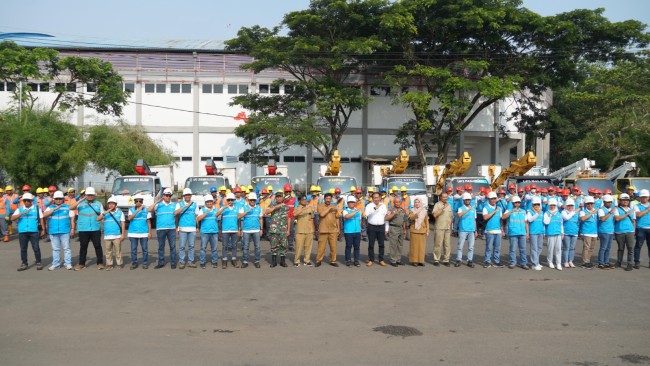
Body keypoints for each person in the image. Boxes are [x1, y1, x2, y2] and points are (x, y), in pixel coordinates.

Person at [69, 187, 104, 270]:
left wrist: (104, 226)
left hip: (95, 228)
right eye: (88, 195)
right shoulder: (80, 204)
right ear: (85, 195)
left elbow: (102, 215)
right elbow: (71, 207)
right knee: (83, 246)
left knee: (98, 246)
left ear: (94, 195)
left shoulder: (99, 204)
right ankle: (81, 263)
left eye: (92, 195)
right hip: (83, 228)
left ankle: (100, 263)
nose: (90, 196)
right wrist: (81, 200)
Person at [12, 193, 45, 271]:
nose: (26, 202)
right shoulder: (19, 209)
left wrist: (43, 229)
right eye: (25, 200)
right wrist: (21, 213)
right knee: (23, 248)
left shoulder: (37, 208)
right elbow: (12, 218)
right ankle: (24, 263)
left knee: (36, 247)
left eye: (28, 200)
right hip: (23, 232)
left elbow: (41, 219)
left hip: (33, 231)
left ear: (31, 201)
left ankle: (38, 262)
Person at [148, 188, 177, 269]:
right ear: (163, 196)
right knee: (161, 247)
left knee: (173, 246)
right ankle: (161, 262)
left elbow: (178, 215)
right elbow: (149, 209)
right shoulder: (158, 205)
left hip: (171, 228)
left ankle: (173, 262)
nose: (168, 197)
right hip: (161, 229)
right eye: (166, 195)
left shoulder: (174, 205)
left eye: (169, 195)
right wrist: (157, 201)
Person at [96, 196, 125, 270]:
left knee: (118, 251)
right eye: (109, 204)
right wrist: (106, 212)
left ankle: (119, 263)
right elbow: (97, 219)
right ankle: (109, 264)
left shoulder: (120, 212)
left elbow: (123, 224)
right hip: (107, 236)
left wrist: (123, 235)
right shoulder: (105, 213)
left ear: (116, 205)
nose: (111, 205)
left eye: (113, 204)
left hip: (117, 235)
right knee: (108, 251)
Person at [265, 192, 291, 268]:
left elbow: (288, 219)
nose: (279, 198)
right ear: (275, 198)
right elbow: (266, 212)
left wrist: (288, 230)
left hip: (283, 230)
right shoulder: (272, 205)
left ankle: (283, 261)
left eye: (280, 197)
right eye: (277, 197)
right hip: (274, 229)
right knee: (274, 246)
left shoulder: (286, 207)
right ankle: (274, 262)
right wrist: (276, 207)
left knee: (283, 246)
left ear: (283, 198)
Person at [503, 196, 529, 270]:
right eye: (515, 203)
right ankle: (512, 262)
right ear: (513, 203)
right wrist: (511, 211)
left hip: (522, 233)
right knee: (513, 249)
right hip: (513, 232)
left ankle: (524, 263)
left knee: (523, 249)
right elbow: (503, 217)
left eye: (518, 203)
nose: (517, 204)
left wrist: (527, 232)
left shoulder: (523, 211)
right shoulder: (509, 210)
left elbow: (526, 222)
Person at [238, 192, 263, 268]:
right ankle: (245, 261)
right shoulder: (244, 207)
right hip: (246, 230)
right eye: (251, 200)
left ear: (256, 200)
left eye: (254, 200)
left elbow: (261, 218)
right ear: (248, 200)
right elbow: (239, 216)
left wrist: (261, 229)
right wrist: (247, 211)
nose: (252, 201)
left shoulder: (259, 208)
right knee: (245, 247)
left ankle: (257, 261)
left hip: (256, 230)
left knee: (257, 247)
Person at [216, 192, 240, 268]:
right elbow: (216, 214)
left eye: (231, 200)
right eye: (229, 200)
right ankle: (224, 260)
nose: (230, 201)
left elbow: (239, 219)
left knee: (234, 246)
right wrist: (224, 208)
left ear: (234, 200)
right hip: (225, 230)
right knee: (224, 246)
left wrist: (239, 229)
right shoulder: (223, 208)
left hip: (234, 230)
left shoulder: (237, 208)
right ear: (227, 200)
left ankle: (234, 260)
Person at [127, 193, 152, 269]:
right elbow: (129, 218)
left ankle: (145, 263)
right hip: (133, 232)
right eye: (137, 201)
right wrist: (137, 211)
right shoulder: (131, 209)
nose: (138, 202)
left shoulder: (146, 210)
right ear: (134, 202)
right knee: (133, 249)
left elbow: (148, 222)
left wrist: (150, 232)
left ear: (142, 201)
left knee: (145, 249)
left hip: (144, 232)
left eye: (140, 201)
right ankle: (134, 263)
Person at [316, 192, 340, 267]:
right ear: (324, 199)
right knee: (321, 247)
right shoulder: (320, 206)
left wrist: (338, 228)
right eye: (327, 198)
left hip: (333, 230)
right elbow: (322, 214)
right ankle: (319, 260)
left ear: (331, 199)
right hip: (323, 229)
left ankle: (333, 261)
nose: (328, 200)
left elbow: (337, 218)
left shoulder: (334, 207)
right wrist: (329, 208)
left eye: (330, 198)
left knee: (333, 247)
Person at [175, 188, 197, 269]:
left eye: (189, 195)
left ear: (191, 196)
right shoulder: (179, 204)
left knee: (191, 246)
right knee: (182, 246)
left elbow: (196, 216)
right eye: (186, 195)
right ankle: (182, 261)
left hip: (192, 228)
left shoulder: (195, 204)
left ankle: (191, 261)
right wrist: (185, 206)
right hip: (182, 228)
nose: (188, 196)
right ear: (183, 196)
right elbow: (175, 213)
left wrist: (197, 227)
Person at [482, 191, 504, 268]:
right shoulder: (486, 208)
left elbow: (501, 220)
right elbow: (485, 217)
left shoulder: (499, 208)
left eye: (494, 199)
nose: (493, 200)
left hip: (498, 230)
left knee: (497, 248)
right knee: (489, 247)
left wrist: (502, 229)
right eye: (492, 199)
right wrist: (494, 211)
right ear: (489, 199)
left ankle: (496, 261)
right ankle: (487, 261)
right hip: (489, 230)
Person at [614, 193, 636, 271]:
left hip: (630, 231)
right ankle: (619, 262)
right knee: (620, 248)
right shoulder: (617, 209)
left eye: (627, 200)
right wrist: (627, 214)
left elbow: (633, 221)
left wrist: (634, 230)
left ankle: (629, 264)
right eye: (624, 200)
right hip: (619, 231)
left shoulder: (631, 210)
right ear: (620, 201)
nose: (626, 201)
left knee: (630, 248)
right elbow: (617, 218)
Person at [365, 192, 388, 267]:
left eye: (378, 197)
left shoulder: (384, 206)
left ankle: (381, 259)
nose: (376, 199)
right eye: (375, 197)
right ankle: (371, 259)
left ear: (380, 198)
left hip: (381, 227)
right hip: (372, 227)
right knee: (371, 244)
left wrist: (386, 228)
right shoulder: (369, 206)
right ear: (372, 198)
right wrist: (375, 208)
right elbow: (366, 214)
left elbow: (386, 217)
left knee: (381, 244)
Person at [196, 194, 219, 269]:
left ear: (212, 202)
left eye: (210, 202)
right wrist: (207, 212)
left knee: (214, 248)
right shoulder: (202, 210)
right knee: (203, 248)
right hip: (205, 232)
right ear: (205, 203)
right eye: (207, 202)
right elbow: (198, 219)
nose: (209, 203)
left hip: (214, 231)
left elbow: (219, 217)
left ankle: (214, 261)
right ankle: (202, 262)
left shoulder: (216, 209)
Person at [455, 192, 477, 268]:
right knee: (460, 246)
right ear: (464, 200)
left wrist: (475, 230)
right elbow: (460, 215)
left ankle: (469, 260)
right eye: (466, 200)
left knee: (471, 247)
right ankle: (459, 259)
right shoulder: (461, 208)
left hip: (471, 230)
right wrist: (468, 210)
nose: (467, 201)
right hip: (463, 229)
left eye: (469, 200)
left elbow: (474, 220)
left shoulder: (473, 208)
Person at [386, 195, 408, 266]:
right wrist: (394, 213)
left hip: (401, 228)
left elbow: (404, 221)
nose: (397, 203)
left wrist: (405, 230)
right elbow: (386, 218)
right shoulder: (390, 210)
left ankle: (398, 259)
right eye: (396, 202)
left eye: (399, 202)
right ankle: (393, 260)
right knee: (393, 245)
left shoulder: (403, 210)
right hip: (393, 228)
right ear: (394, 202)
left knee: (400, 245)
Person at [432, 192, 453, 266]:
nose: (445, 198)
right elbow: (435, 215)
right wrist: (441, 209)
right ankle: (436, 259)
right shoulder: (437, 205)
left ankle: (446, 260)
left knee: (447, 245)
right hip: (439, 227)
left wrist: (450, 228)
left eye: (446, 197)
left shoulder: (449, 205)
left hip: (447, 228)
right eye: (443, 197)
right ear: (441, 197)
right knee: (438, 244)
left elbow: (450, 217)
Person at [293, 195, 315, 267]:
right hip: (300, 231)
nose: (305, 201)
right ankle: (297, 261)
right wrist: (303, 209)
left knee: (308, 247)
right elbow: (294, 214)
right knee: (299, 247)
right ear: (299, 201)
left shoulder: (309, 208)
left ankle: (307, 260)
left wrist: (313, 228)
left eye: (305, 200)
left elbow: (311, 218)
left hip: (309, 230)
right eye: (303, 200)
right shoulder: (297, 208)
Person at [408, 198, 429, 266]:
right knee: (414, 247)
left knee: (421, 247)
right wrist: (417, 213)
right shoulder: (412, 210)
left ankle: (421, 261)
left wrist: (427, 230)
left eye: (418, 202)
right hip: (414, 230)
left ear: (421, 203)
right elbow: (411, 218)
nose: (417, 203)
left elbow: (426, 221)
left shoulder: (424, 211)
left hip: (422, 230)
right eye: (415, 202)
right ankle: (414, 261)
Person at [579, 196, 599, 269]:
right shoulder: (583, 211)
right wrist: (591, 213)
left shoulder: (596, 211)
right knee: (586, 247)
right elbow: (583, 218)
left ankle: (588, 260)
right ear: (585, 204)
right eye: (588, 204)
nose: (590, 205)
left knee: (592, 247)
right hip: (586, 232)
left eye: (591, 203)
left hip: (594, 232)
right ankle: (584, 262)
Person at [543, 198, 563, 270]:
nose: (552, 206)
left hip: (558, 233)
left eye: (554, 205)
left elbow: (561, 224)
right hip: (550, 233)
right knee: (550, 249)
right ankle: (550, 262)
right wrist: (551, 215)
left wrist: (562, 233)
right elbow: (546, 222)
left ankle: (558, 263)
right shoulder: (546, 213)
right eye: (551, 205)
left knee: (558, 249)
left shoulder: (559, 214)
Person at [597, 194, 616, 269]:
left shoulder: (611, 209)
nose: (609, 203)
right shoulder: (601, 209)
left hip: (611, 231)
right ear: (604, 202)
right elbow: (603, 219)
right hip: (604, 231)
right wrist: (610, 212)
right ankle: (601, 263)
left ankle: (606, 262)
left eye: (610, 202)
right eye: (608, 202)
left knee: (608, 248)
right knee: (603, 247)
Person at [343, 195, 362, 267]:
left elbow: (360, 220)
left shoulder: (358, 211)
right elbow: (347, 216)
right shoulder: (345, 210)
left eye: (353, 202)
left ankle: (356, 261)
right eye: (349, 202)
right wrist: (355, 211)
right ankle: (348, 260)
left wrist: (359, 229)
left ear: (355, 203)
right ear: (347, 203)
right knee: (348, 246)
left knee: (357, 247)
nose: (351, 204)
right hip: (348, 231)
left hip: (357, 231)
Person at [526, 197, 545, 270]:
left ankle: (536, 261)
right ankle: (534, 264)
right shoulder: (530, 211)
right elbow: (530, 220)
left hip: (540, 232)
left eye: (538, 204)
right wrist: (537, 213)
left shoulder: (542, 212)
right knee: (534, 248)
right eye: (535, 204)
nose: (536, 206)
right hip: (533, 232)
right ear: (532, 205)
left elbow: (543, 223)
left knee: (540, 247)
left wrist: (544, 232)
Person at [633, 189, 650, 269]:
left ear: (648, 197)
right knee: (638, 245)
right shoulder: (637, 206)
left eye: (645, 197)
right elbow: (638, 215)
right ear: (640, 198)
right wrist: (647, 210)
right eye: (642, 197)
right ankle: (636, 261)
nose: (644, 198)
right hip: (641, 228)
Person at [561, 199, 579, 268]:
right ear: (566, 206)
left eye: (572, 206)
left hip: (574, 232)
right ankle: (565, 261)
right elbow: (566, 218)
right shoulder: (564, 212)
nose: (570, 207)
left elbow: (578, 222)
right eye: (569, 205)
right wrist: (574, 212)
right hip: (566, 232)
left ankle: (570, 260)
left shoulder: (576, 213)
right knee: (566, 248)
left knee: (572, 248)